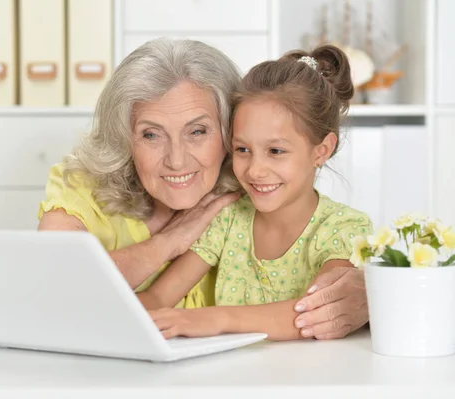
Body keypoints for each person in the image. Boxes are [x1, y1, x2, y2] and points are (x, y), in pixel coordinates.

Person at [136, 44, 374, 341]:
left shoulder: (343, 228)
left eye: (275, 151)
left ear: (321, 150)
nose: (255, 170)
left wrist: (210, 319)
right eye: (242, 149)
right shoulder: (228, 219)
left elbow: (317, 312)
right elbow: (159, 297)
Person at [37, 38, 242, 308]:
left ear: (229, 132)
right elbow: (56, 284)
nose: (177, 161)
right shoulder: (82, 185)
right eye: (151, 135)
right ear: (124, 138)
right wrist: (167, 243)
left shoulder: (251, 196)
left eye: (197, 131)